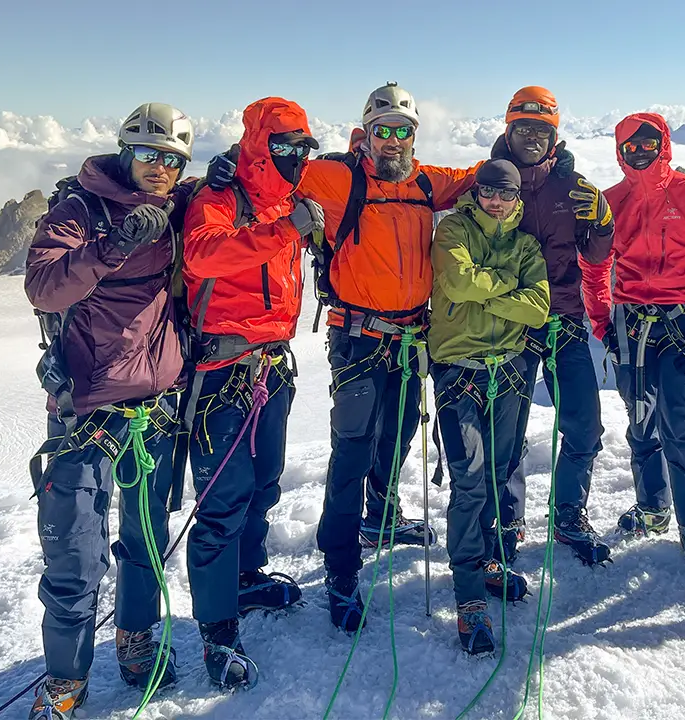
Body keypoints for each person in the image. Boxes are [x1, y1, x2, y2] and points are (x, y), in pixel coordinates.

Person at [204, 82, 482, 632]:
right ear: (367, 134)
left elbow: (483, 179)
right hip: (357, 337)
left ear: (414, 134)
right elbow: (274, 168)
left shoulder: (428, 181)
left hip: (410, 339)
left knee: (399, 431)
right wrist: (230, 166)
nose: (394, 141)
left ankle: (380, 517)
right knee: (351, 451)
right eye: (384, 131)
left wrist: (537, 164)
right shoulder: (337, 177)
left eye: (404, 130)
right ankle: (340, 567)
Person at [24, 103, 195, 719]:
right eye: (150, 155)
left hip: (153, 407)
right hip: (87, 412)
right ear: (126, 151)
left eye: (173, 160)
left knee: (144, 538)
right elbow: (44, 288)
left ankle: (135, 636)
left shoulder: (178, 210)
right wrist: (113, 248)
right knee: (76, 552)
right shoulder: (79, 212)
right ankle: (66, 679)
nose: (161, 168)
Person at [180, 97, 323, 688]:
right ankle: (217, 632)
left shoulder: (293, 198)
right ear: (261, 146)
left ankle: (244, 578)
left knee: (264, 481)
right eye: (284, 147)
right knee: (222, 497)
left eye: (302, 147)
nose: (295, 158)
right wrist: (283, 229)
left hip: (271, 364)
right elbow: (202, 254)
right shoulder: (219, 199)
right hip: (221, 371)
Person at [581, 112, 685, 567]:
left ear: (663, 143)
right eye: (630, 146)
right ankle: (653, 508)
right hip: (631, 325)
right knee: (641, 420)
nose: (640, 151)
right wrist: (603, 325)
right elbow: (594, 268)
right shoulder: (612, 203)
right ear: (620, 152)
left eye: (648, 142)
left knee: (681, 423)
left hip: (683, 322)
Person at [488, 86, 616, 567]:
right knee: (507, 431)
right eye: (523, 128)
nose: (531, 138)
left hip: (565, 321)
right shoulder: (492, 184)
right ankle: (507, 520)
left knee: (585, 426)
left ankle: (568, 515)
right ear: (509, 131)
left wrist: (602, 222)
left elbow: (596, 255)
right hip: (511, 325)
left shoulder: (574, 187)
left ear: (553, 136)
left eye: (541, 130)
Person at [428, 159, 550, 654]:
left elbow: (537, 308)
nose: (494, 201)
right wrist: (508, 286)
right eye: (486, 192)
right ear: (476, 192)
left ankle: (487, 561)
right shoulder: (453, 228)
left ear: (516, 197)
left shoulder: (526, 243)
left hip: (510, 371)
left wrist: (487, 286)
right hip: (459, 369)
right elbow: (457, 284)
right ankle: (469, 593)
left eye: (503, 194)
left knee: (499, 474)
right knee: (470, 478)